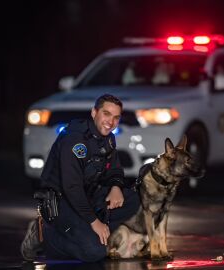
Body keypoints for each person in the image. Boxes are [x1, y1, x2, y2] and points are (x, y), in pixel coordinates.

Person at [21, 94, 140, 262]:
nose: (111, 122)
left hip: (88, 196)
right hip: (63, 204)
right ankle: (44, 235)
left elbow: (115, 170)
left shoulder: (108, 138)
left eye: (116, 117)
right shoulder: (75, 140)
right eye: (106, 114)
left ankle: (97, 235)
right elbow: (71, 188)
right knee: (95, 252)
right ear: (94, 113)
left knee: (134, 200)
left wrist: (115, 187)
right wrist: (94, 222)